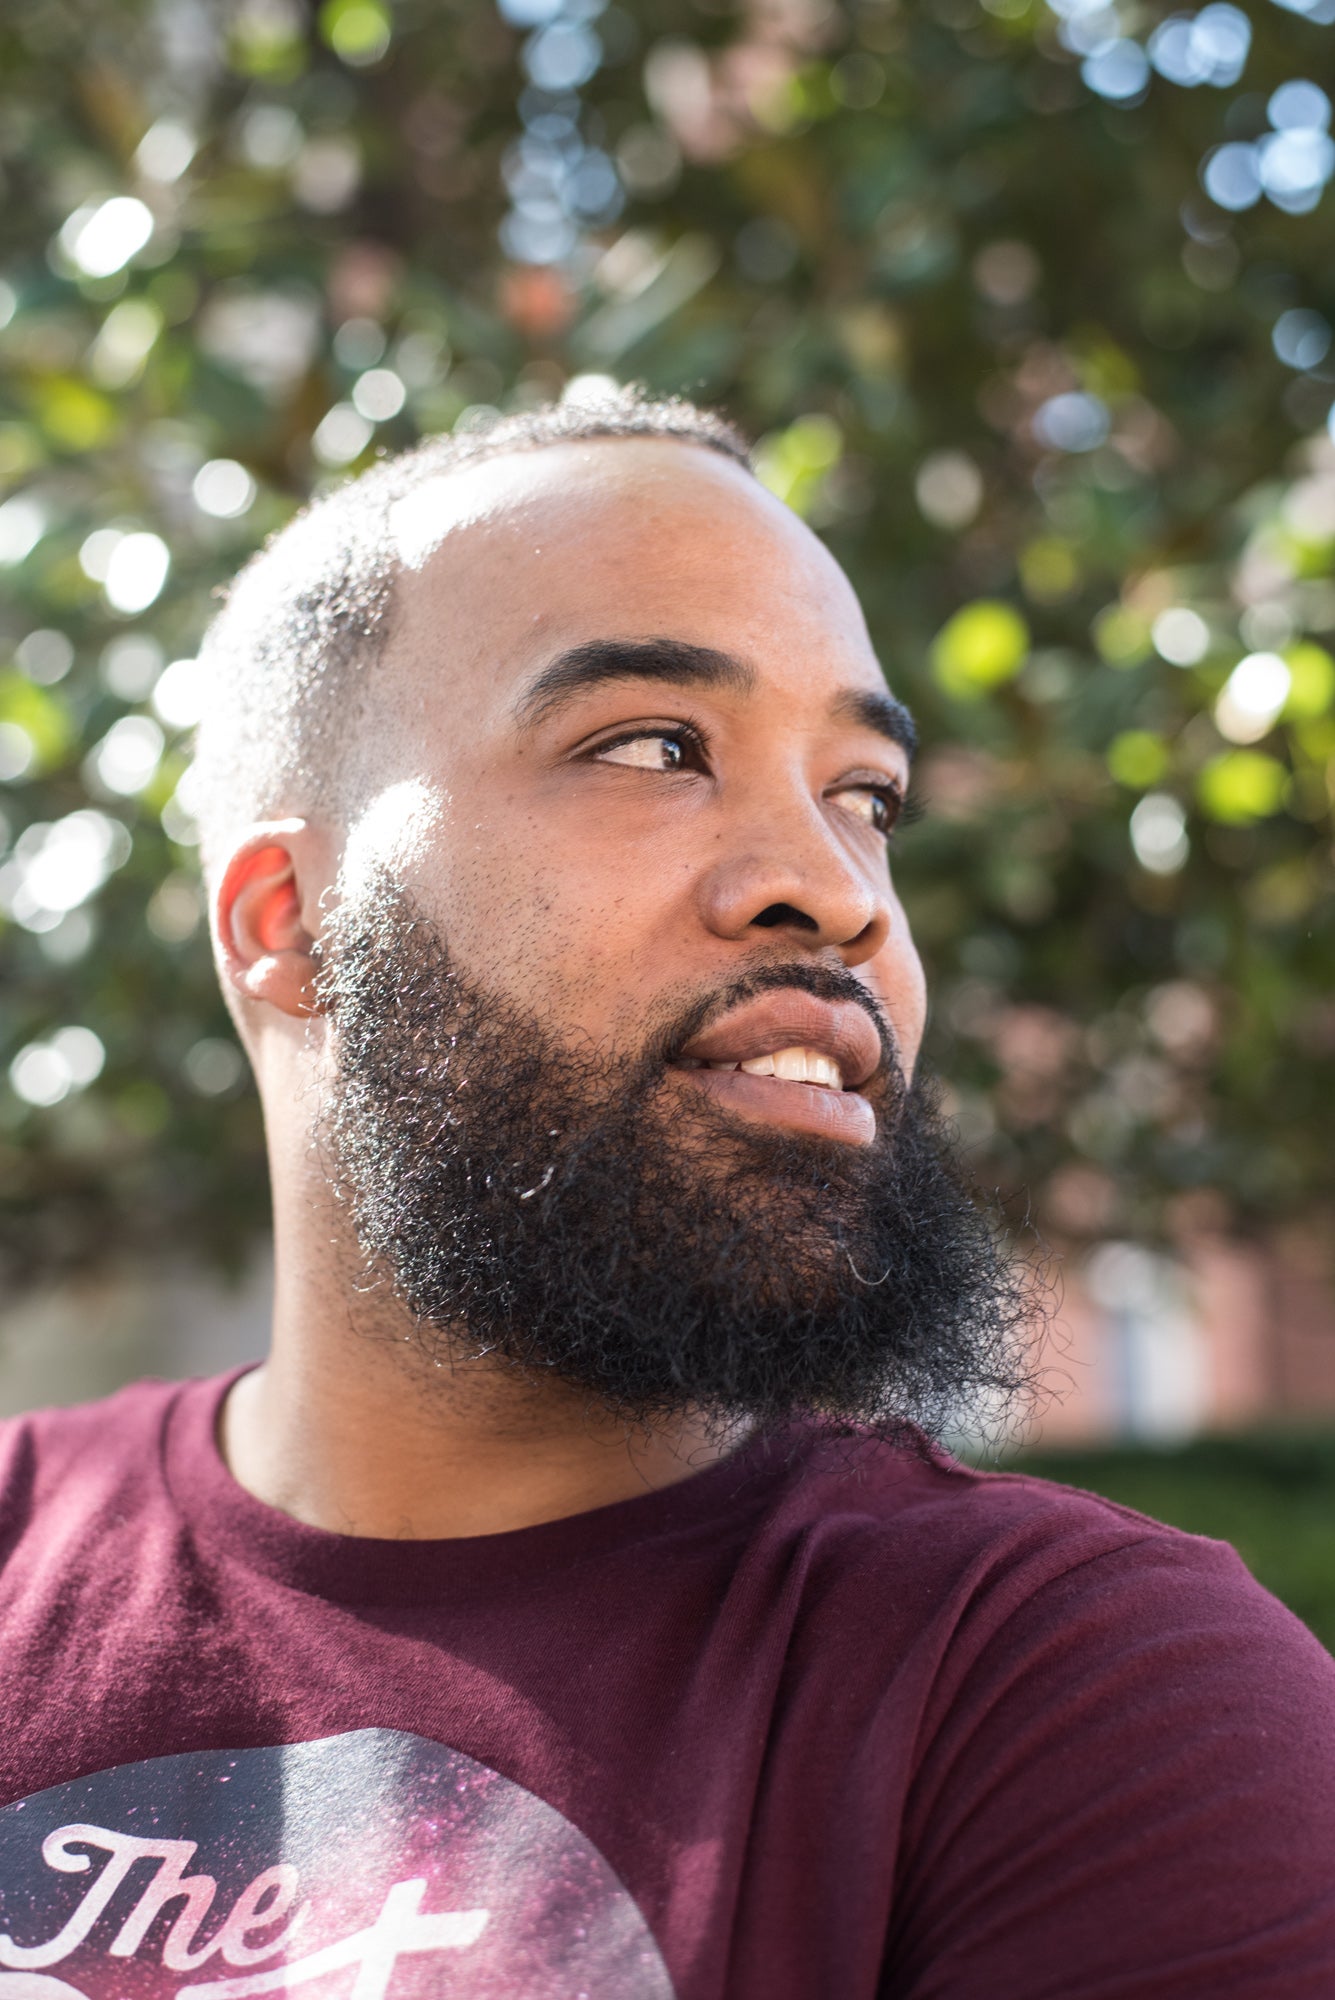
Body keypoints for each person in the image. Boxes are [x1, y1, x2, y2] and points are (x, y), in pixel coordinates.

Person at [0, 389, 1331, 2000]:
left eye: (867, 794)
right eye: (652, 745)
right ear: (290, 919)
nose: (837, 892)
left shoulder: (1087, 1700)